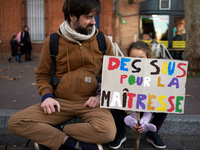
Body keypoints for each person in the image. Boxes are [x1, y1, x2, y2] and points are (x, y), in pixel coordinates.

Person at [7, 0, 116, 150]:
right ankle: (71, 143)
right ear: (72, 16)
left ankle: (53, 134)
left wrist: (100, 96)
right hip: (60, 103)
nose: (93, 22)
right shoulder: (52, 41)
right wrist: (47, 96)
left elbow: (113, 75)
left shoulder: (102, 41)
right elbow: (42, 75)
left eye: (94, 17)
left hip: (91, 103)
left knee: (108, 133)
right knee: (15, 122)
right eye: (88, 17)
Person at [109, 41, 167, 149]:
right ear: (127, 57)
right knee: (113, 99)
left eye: (141, 58)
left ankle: (152, 133)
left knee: (167, 102)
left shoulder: (156, 73)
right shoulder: (122, 71)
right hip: (128, 106)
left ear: (148, 58)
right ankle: (120, 132)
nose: (136, 61)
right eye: (132, 57)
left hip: (148, 106)